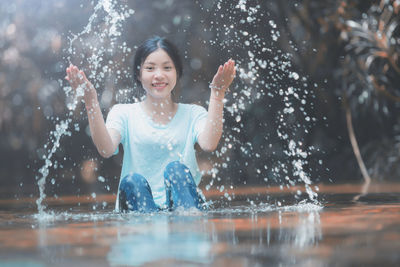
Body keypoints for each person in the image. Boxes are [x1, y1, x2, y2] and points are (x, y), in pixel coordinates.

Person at [65, 36, 236, 212]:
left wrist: (217, 94)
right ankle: (148, 227)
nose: (159, 75)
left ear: (177, 72)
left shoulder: (193, 113)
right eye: (150, 68)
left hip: (184, 206)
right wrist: (90, 101)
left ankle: (188, 226)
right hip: (139, 208)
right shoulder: (123, 113)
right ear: (139, 74)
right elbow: (106, 149)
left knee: (176, 170)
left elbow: (209, 143)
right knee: (133, 182)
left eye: (167, 67)